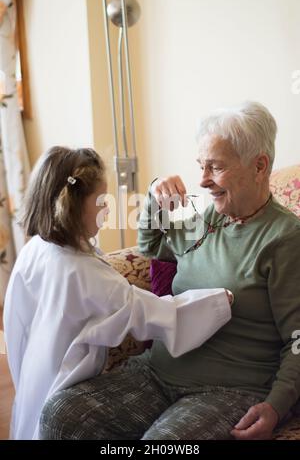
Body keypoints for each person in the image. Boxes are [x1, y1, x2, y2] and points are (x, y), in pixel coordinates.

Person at [39, 101, 300, 441]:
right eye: (200, 166)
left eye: (215, 167)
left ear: (259, 165)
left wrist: (276, 406)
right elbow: (152, 247)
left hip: (230, 388)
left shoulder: (284, 239)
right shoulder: (209, 220)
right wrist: (154, 198)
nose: (203, 180)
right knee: (62, 414)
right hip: (156, 372)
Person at [3, 146, 233, 440]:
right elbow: (152, 315)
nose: (108, 209)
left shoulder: (36, 248)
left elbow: (14, 321)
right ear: (71, 205)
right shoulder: (84, 273)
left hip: (33, 377)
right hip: (65, 385)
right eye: (101, 201)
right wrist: (217, 303)